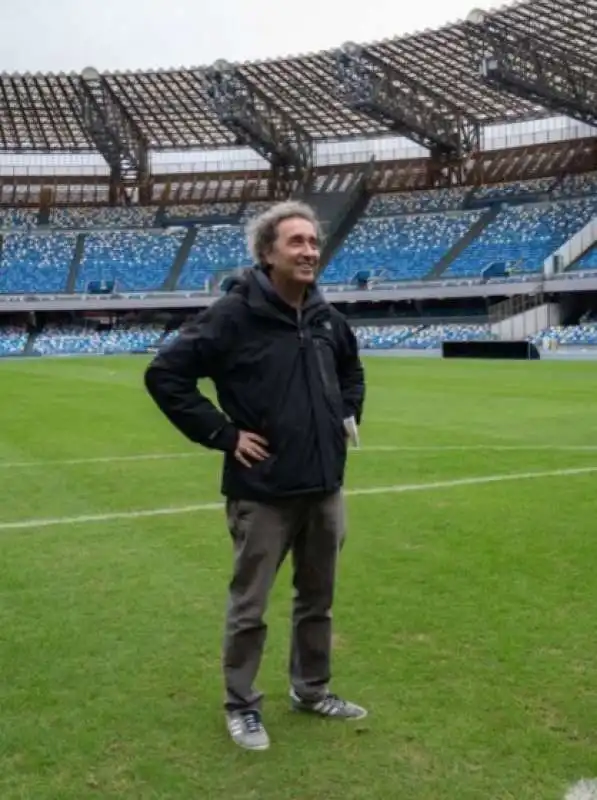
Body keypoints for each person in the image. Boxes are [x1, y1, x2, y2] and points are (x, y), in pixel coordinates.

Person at [144, 200, 367, 751]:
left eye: (314, 242)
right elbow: (165, 374)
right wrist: (223, 434)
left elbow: (351, 370)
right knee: (251, 607)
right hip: (263, 493)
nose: (310, 251)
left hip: (324, 488)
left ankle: (311, 691)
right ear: (267, 253)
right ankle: (241, 706)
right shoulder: (233, 315)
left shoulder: (325, 316)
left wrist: (348, 412)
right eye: (297, 242)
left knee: (319, 601)